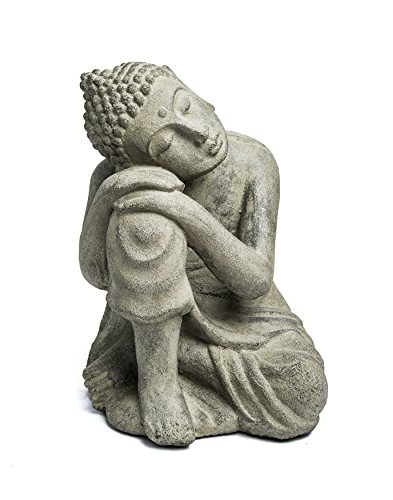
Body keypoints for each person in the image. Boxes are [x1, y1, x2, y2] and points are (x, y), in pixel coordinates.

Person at [79, 62, 327, 446]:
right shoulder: (114, 178)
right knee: (143, 221)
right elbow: (97, 275)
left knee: (304, 387)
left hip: (241, 317)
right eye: (166, 145)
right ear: (139, 162)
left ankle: (145, 368)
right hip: (148, 318)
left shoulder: (252, 162)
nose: (197, 134)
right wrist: (110, 194)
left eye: (186, 106)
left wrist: (185, 211)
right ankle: (159, 388)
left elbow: (255, 281)